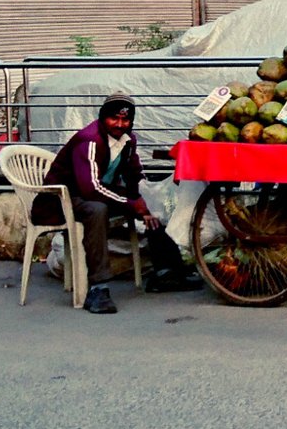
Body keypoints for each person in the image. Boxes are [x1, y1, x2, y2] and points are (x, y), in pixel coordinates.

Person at [31, 92, 201, 314]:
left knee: (148, 204)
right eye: (114, 119)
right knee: (97, 210)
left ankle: (168, 271)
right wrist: (131, 204)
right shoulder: (89, 140)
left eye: (125, 120)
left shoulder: (127, 140)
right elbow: (90, 188)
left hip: (96, 192)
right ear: (103, 118)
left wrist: (140, 201)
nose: (120, 124)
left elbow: (132, 172)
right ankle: (98, 288)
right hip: (61, 199)